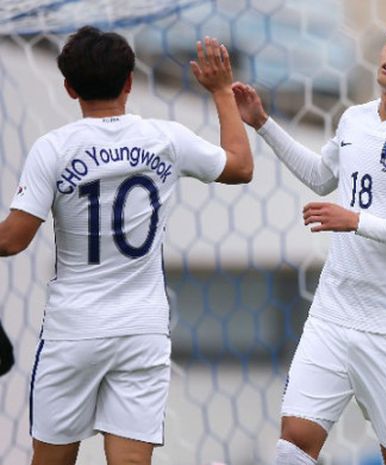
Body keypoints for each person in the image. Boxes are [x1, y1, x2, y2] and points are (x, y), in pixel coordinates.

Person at [232, 2, 386, 464]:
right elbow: (322, 175)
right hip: (332, 314)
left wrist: (357, 221)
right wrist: (263, 124)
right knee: (293, 444)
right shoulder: (355, 119)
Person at [0, 27, 252, 465]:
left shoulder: (53, 148)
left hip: (74, 329)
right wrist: (221, 92)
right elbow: (240, 167)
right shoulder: (166, 137)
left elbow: (11, 240)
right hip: (142, 328)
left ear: (69, 87)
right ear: (130, 82)